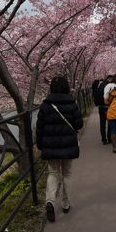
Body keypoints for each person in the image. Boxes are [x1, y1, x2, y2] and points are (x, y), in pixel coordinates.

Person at [36, 76, 84, 223]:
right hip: (68, 145)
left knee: (53, 173)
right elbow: (79, 124)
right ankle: (65, 203)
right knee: (67, 174)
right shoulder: (72, 103)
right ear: (66, 88)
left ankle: (50, 201)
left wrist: (40, 145)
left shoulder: (45, 106)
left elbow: (39, 129)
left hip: (51, 146)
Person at [93, 77, 111, 144]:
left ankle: (104, 139)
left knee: (102, 124)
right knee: (110, 123)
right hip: (108, 107)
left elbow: (95, 99)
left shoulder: (98, 89)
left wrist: (98, 104)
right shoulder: (108, 88)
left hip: (101, 108)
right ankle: (109, 138)